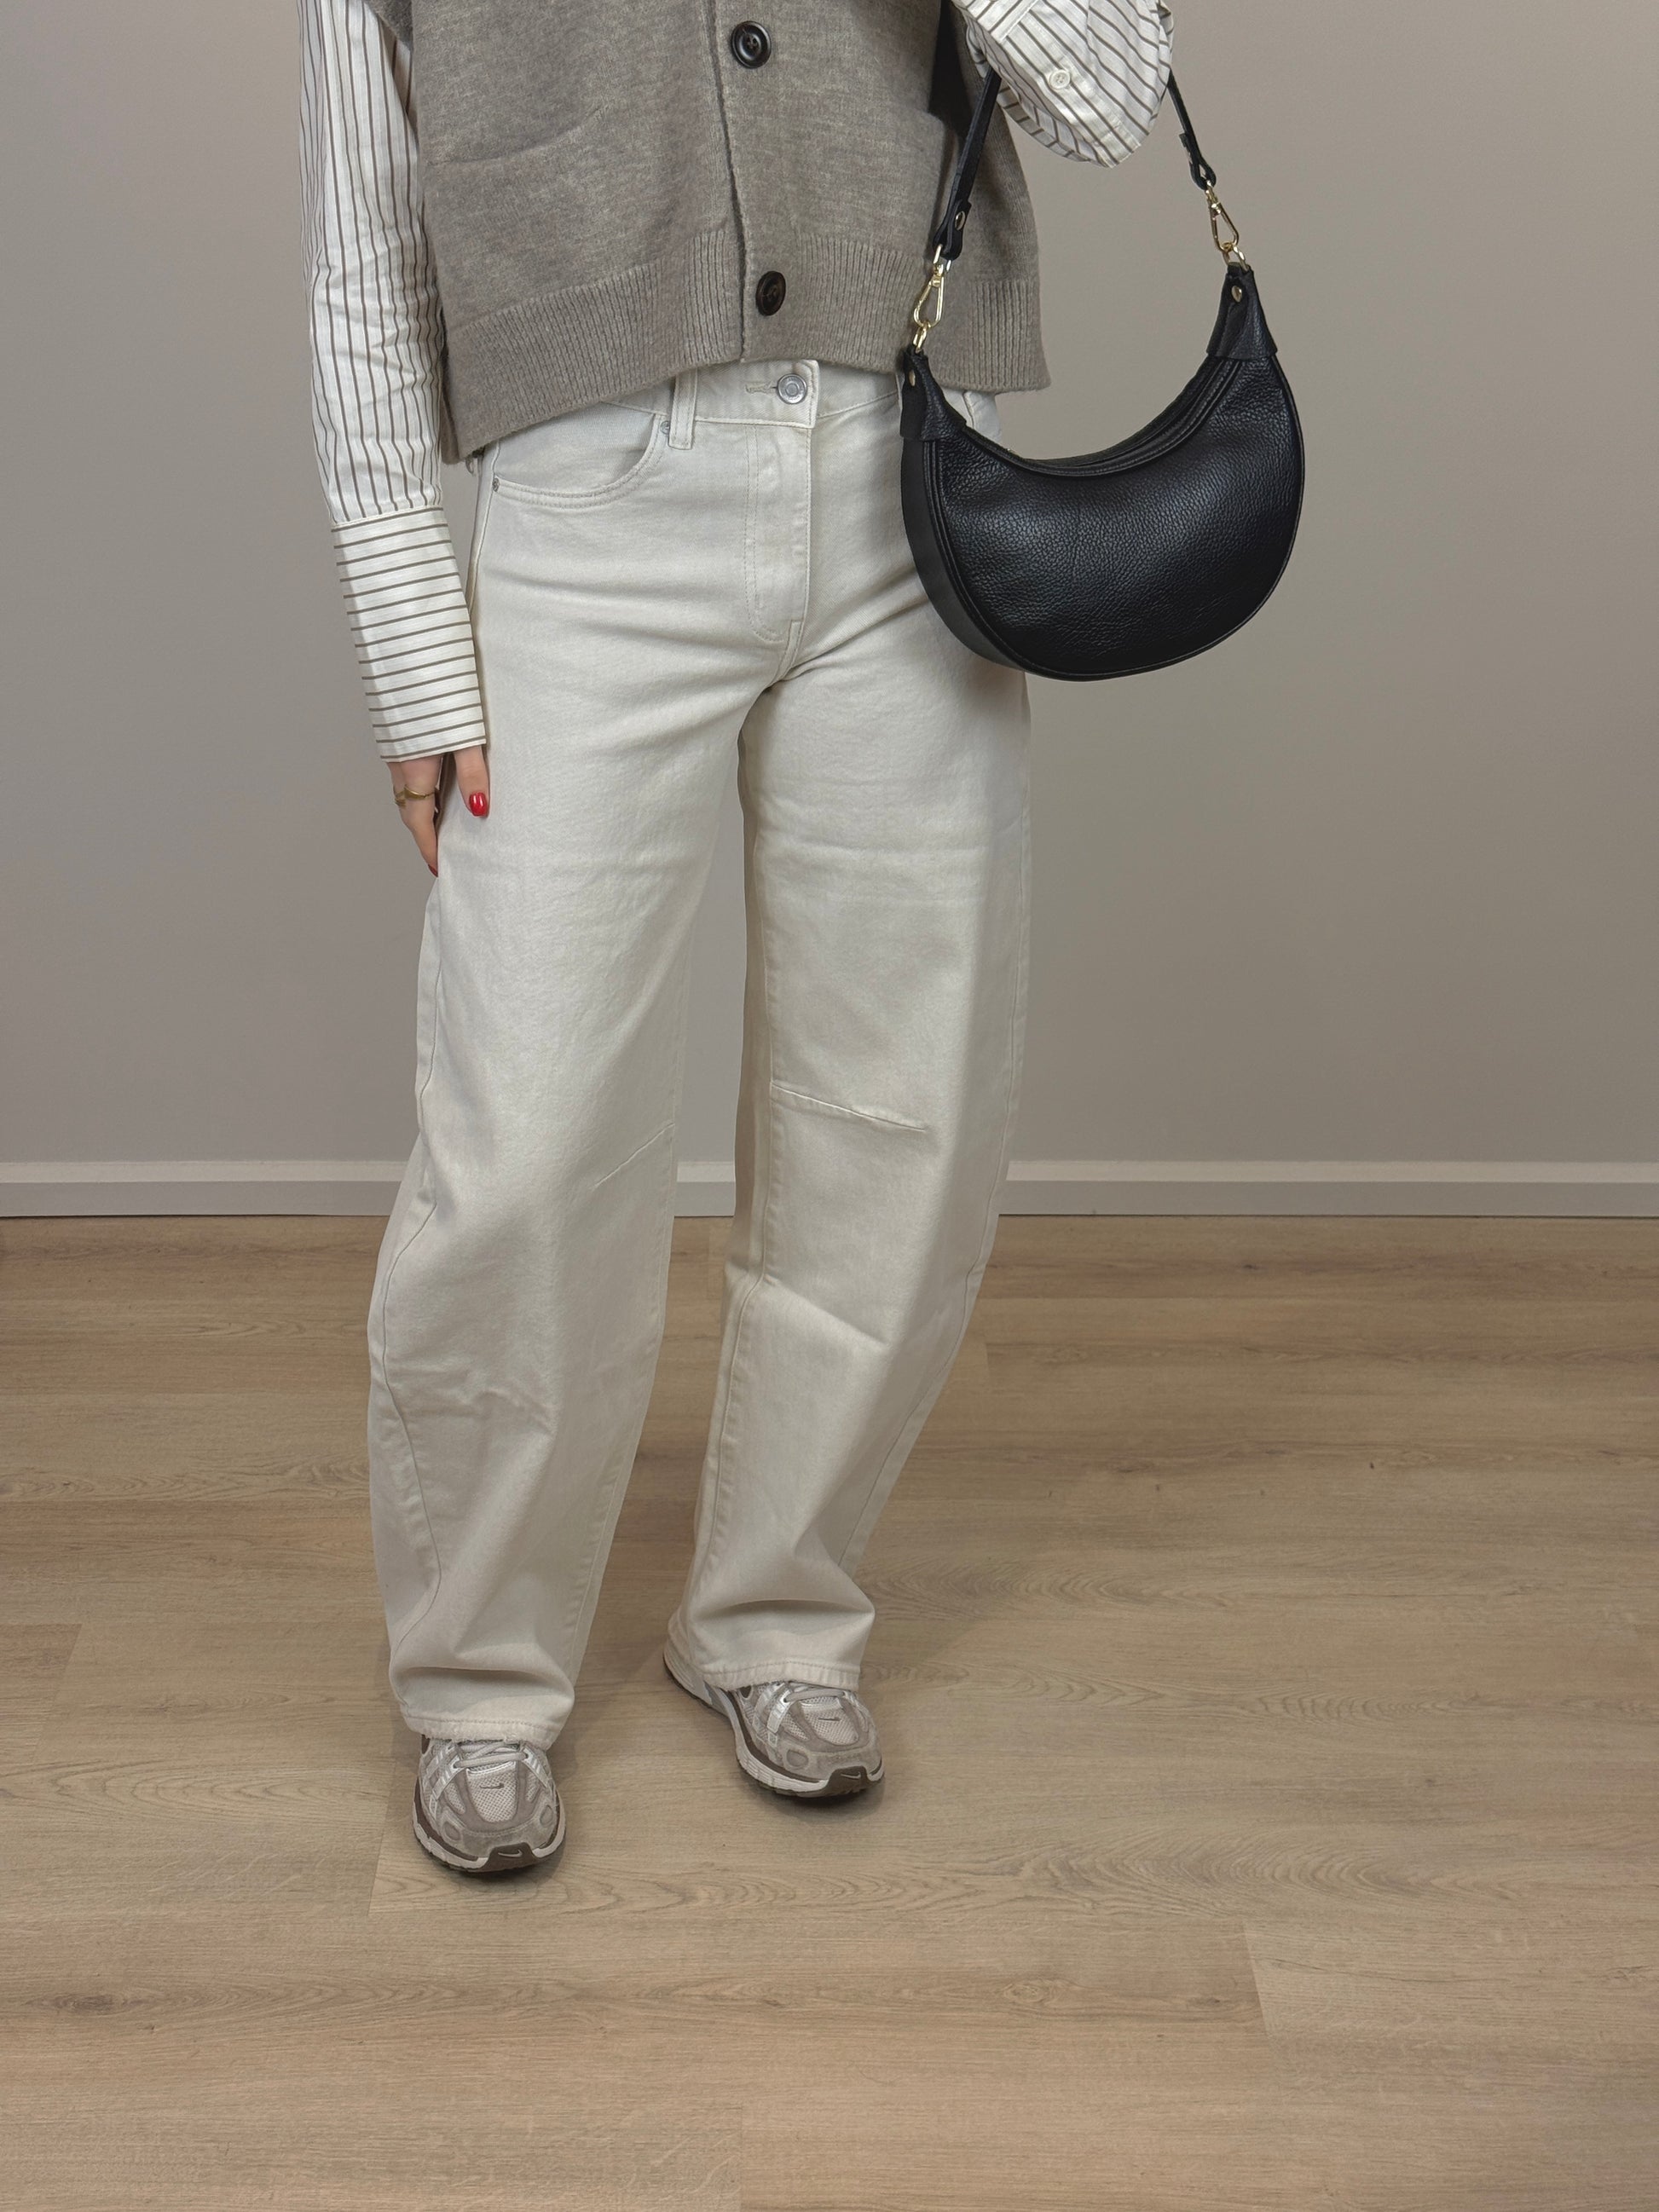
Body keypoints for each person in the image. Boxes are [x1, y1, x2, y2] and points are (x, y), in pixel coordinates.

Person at [300, 0, 1172, 1876]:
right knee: (529, 1139)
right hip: (587, 506)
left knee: (896, 1109)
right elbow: (361, 235)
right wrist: (409, 635)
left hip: (910, 488)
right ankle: (478, 1676)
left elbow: (1108, 99)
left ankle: (779, 1618)